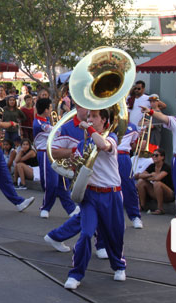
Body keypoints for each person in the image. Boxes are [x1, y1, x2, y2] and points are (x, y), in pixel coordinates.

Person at [63, 108, 127, 290]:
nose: (90, 119)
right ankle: (75, 274)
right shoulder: (83, 143)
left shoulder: (111, 136)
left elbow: (103, 146)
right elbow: (74, 165)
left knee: (114, 235)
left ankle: (119, 266)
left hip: (111, 193)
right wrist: (68, 165)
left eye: (94, 117)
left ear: (104, 120)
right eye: (89, 116)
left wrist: (88, 129)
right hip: (90, 195)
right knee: (85, 234)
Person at [34, 98, 77, 219]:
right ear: (46, 109)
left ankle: (70, 208)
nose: (52, 110)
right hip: (44, 153)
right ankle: (45, 207)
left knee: (62, 182)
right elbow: (56, 131)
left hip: (55, 153)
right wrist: (68, 116)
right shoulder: (39, 123)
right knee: (51, 183)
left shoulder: (46, 120)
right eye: (50, 108)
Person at [116, 122, 143, 229]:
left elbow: (133, 146)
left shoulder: (132, 126)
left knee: (129, 187)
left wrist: (140, 137)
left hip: (123, 156)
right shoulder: (106, 122)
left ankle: (135, 216)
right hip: (108, 155)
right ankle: (116, 219)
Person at [135, 148, 174, 215]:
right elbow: (141, 175)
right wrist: (150, 175)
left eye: (156, 155)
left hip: (169, 194)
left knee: (157, 183)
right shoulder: (152, 166)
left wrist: (147, 177)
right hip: (156, 192)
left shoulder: (166, 167)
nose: (154, 157)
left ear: (162, 157)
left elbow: (157, 178)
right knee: (141, 181)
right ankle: (142, 206)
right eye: (153, 155)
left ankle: (160, 208)